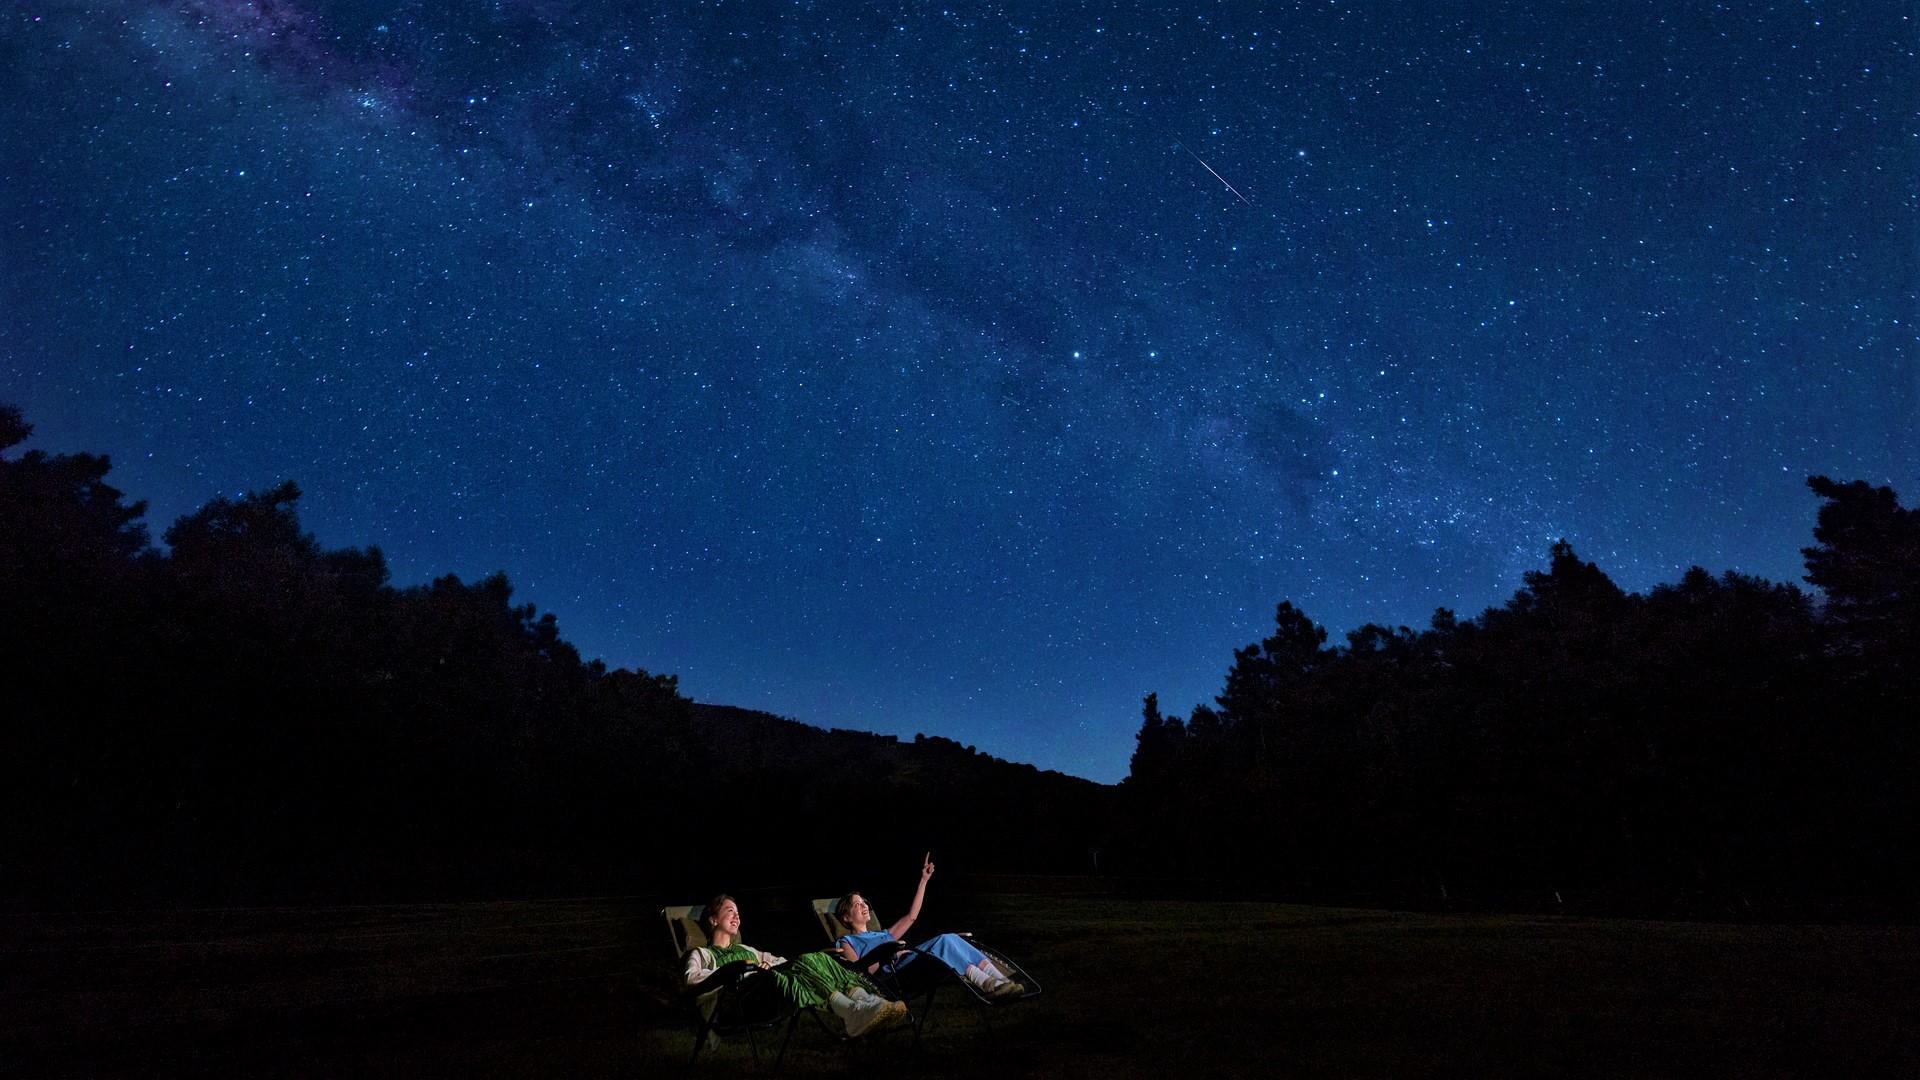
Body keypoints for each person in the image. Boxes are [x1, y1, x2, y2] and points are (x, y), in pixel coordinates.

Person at [683, 894, 907, 1038]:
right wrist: (739, 970)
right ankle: (853, 1012)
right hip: (740, 1005)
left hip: (769, 991)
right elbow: (692, 981)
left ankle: (865, 1003)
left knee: (814, 958)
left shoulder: (748, 950)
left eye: (738, 912)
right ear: (713, 920)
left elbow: (781, 962)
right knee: (805, 961)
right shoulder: (701, 954)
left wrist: (767, 967)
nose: (737, 916)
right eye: (730, 910)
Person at [831, 853, 1024, 998]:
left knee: (951, 938)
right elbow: (858, 974)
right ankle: (990, 986)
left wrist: (923, 880)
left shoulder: (883, 934)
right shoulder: (846, 941)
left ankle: (1002, 982)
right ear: (846, 917)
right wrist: (886, 954)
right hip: (895, 976)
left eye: (864, 902)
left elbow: (912, 916)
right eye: (857, 904)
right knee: (944, 940)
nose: (864, 905)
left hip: (910, 962)